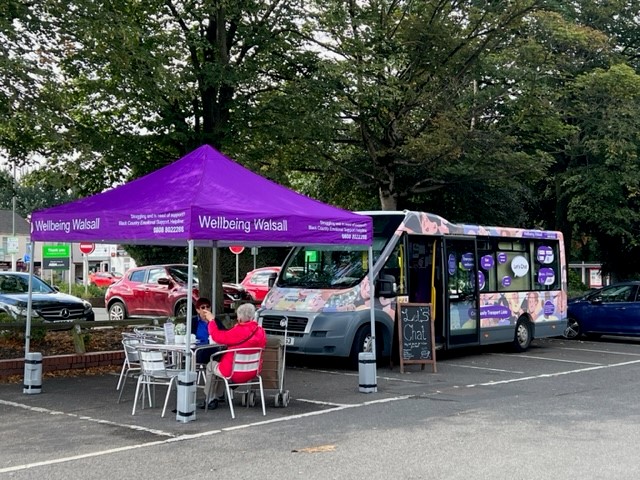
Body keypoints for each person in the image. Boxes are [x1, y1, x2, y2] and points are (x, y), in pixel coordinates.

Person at [199, 302, 267, 410]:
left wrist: (212, 320)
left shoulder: (238, 331)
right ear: (253, 316)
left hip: (233, 372)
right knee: (221, 367)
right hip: (253, 372)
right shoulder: (261, 331)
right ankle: (218, 395)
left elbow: (217, 336)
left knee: (211, 365)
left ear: (239, 318)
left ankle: (210, 398)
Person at [191, 298, 226, 365]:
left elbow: (224, 333)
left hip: (214, 348)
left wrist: (211, 320)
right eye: (203, 307)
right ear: (198, 310)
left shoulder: (216, 321)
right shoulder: (193, 322)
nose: (206, 309)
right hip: (198, 350)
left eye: (208, 307)